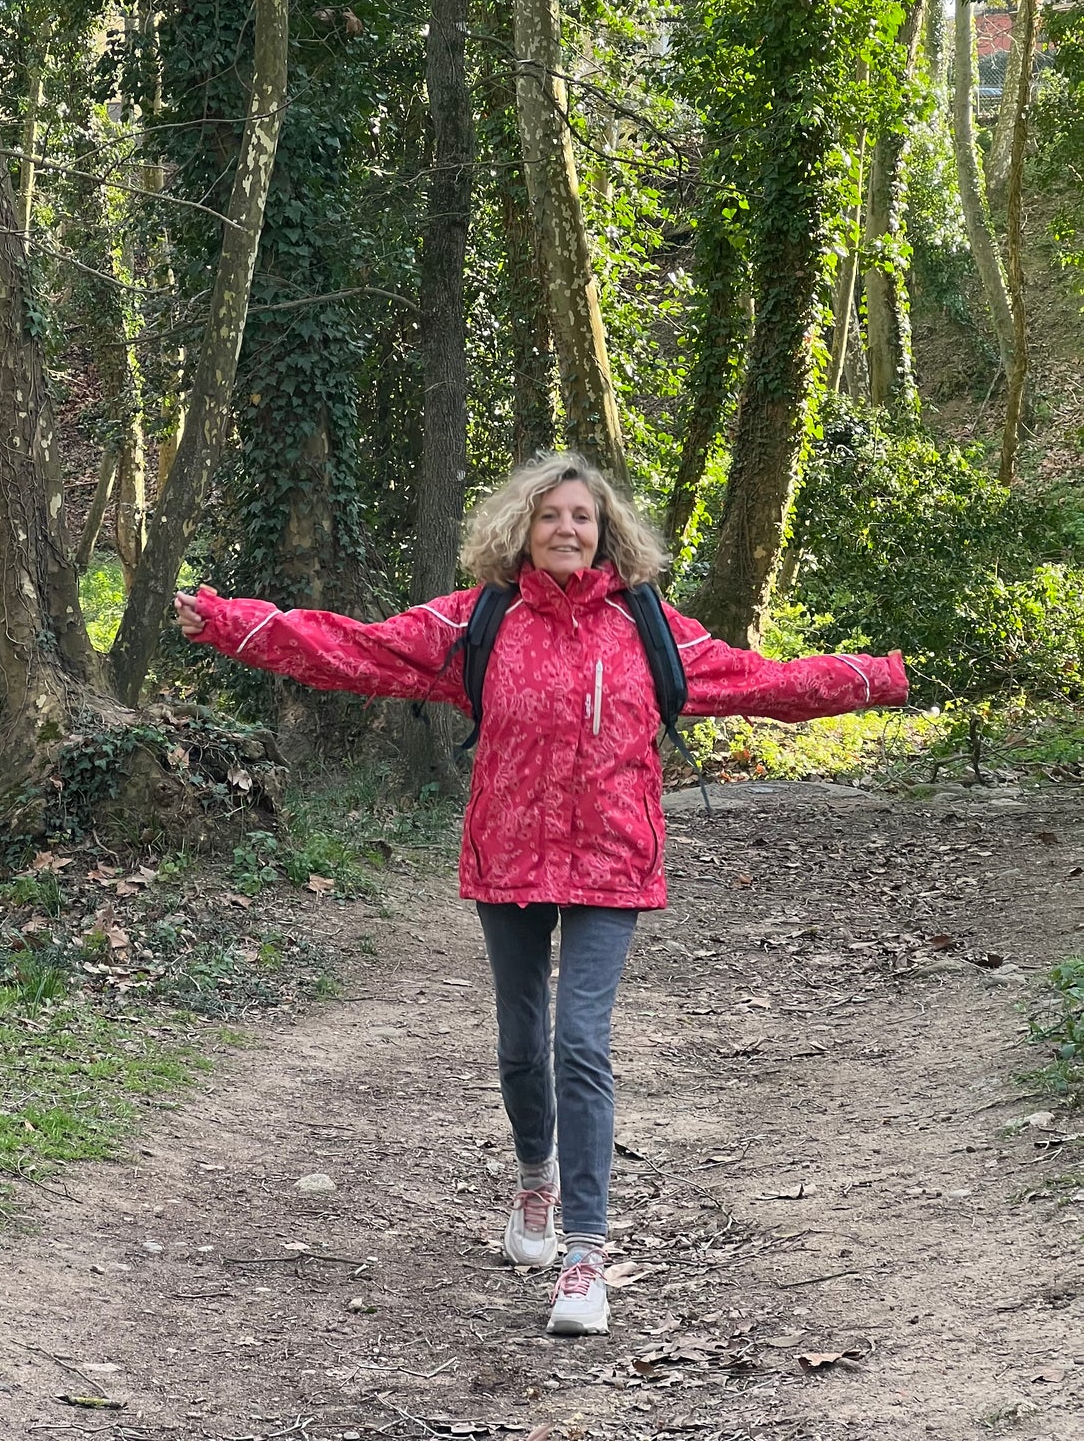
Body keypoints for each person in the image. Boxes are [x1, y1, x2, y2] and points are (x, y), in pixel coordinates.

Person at [174, 450, 907, 1337]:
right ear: (522, 527)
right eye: (552, 515)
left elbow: (765, 680)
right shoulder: (476, 620)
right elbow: (353, 648)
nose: (568, 528)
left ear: (606, 533)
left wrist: (878, 676)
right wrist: (229, 623)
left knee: (580, 1041)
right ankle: (534, 1187)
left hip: (611, 858)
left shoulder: (649, 628)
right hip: (509, 854)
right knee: (522, 1042)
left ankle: (584, 1257)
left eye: (583, 517)